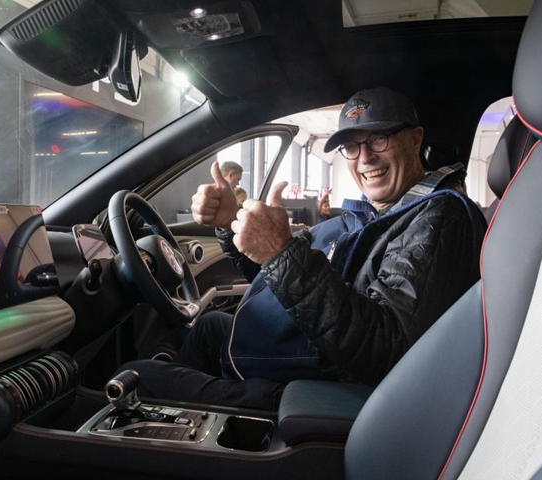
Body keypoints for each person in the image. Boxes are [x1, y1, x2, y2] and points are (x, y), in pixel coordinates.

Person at [119, 88, 485, 410]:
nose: (365, 158)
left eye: (379, 138)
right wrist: (233, 225)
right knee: (210, 326)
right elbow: (283, 283)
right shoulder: (383, 214)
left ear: (416, 139)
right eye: (352, 146)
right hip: (311, 351)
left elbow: (384, 348)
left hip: (323, 388)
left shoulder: (439, 216)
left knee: (136, 377)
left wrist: (281, 252)